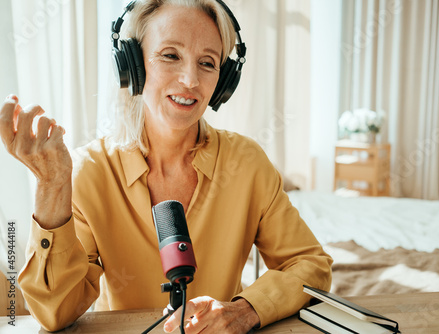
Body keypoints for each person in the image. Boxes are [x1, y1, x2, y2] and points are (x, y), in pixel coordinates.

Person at [0, 0, 333, 332]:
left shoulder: (247, 163)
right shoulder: (91, 171)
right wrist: (52, 185)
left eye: (207, 62)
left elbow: (310, 265)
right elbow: (54, 313)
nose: (190, 80)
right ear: (134, 63)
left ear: (224, 80)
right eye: (170, 55)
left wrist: (245, 310)